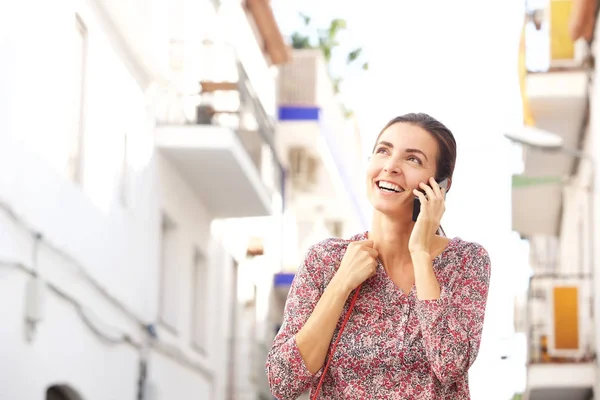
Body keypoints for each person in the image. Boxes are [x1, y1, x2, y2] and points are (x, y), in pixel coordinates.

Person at [265, 113, 491, 399]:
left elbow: (450, 365)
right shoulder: (326, 260)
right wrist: (339, 286)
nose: (391, 166)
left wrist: (420, 252)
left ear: (440, 186)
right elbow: (283, 382)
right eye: (383, 151)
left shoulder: (466, 261)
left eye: (413, 159)